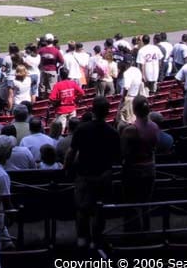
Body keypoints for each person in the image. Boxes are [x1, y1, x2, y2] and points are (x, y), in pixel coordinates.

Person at [65, 97, 120, 249]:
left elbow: (71, 152)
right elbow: (117, 157)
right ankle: (96, 239)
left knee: (82, 208)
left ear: (92, 110)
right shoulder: (113, 132)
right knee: (99, 209)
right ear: (108, 111)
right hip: (103, 175)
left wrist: (66, 168)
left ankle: (83, 238)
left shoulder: (82, 129)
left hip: (84, 175)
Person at [120, 96, 159, 231]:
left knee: (130, 202)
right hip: (150, 167)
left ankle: (131, 231)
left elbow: (124, 153)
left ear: (134, 110)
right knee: (146, 202)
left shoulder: (130, 130)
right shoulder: (155, 126)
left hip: (133, 170)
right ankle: (146, 228)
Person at [49, 67, 84, 133]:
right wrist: (76, 99)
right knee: (72, 130)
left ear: (60, 75)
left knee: (60, 131)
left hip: (61, 111)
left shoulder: (57, 85)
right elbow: (82, 93)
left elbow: (51, 98)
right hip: (72, 109)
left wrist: (55, 104)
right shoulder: (72, 83)